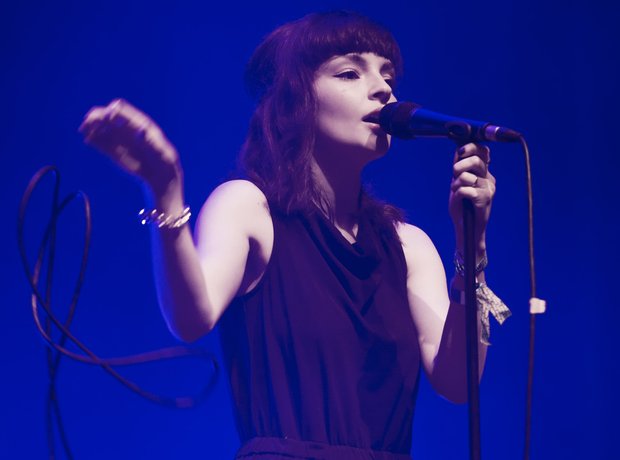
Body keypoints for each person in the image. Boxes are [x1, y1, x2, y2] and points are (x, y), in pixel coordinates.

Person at [79, 10, 508, 460]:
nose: (383, 89)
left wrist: (472, 248)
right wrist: (166, 192)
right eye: (349, 72)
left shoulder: (408, 245)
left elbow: (459, 383)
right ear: (295, 101)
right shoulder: (248, 207)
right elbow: (191, 317)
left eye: (388, 75)